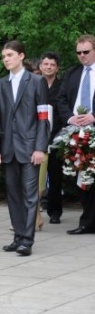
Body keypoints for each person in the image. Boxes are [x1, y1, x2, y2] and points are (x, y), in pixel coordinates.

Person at [0, 40, 50, 256]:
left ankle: (27, 239)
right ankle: (18, 236)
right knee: (13, 194)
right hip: (8, 148)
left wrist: (40, 147)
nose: (6, 59)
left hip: (29, 147)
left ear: (21, 56)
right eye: (4, 56)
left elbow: (43, 118)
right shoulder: (1, 84)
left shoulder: (36, 81)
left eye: (10, 55)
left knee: (30, 195)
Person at [56, 35, 95, 235]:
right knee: (83, 177)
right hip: (77, 132)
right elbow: (60, 98)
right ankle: (87, 222)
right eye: (79, 52)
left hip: (94, 126)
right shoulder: (73, 73)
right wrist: (71, 118)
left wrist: (93, 117)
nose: (82, 56)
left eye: (86, 52)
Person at [38, 53, 63, 225]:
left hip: (56, 135)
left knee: (55, 175)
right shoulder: (33, 84)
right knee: (35, 177)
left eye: (52, 65)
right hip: (37, 137)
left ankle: (54, 210)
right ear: (40, 66)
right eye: (45, 64)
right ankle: (33, 211)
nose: (48, 67)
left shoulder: (62, 86)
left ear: (57, 68)